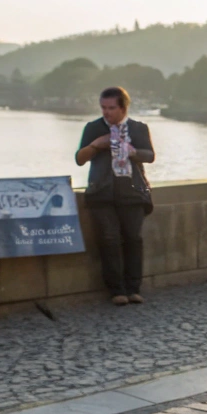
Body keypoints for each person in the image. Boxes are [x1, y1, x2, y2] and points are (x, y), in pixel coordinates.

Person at [76, 87, 155, 305]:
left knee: (133, 239)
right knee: (109, 239)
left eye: (111, 108)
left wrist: (133, 152)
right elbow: (80, 158)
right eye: (103, 107)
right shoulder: (93, 128)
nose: (106, 113)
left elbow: (150, 156)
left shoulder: (138, 128)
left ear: (123, 108)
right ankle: (116, 290)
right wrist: (96, 145)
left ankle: (133, 288)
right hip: (102, 193)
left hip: (132, 192)